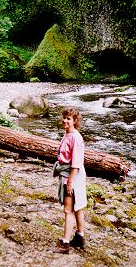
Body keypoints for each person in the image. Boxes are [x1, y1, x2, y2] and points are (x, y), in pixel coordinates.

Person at [53, 107, 87, 254]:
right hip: (69, 174)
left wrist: (70, 181)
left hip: (72, 176)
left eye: (69, 118)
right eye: (64, 117)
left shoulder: (76, 138)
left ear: (75, 121)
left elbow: (77, 163)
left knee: (68, 210)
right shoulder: (67, 133)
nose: (65, 120)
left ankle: (65, 243)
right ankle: (80, 237)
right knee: (78, 206)